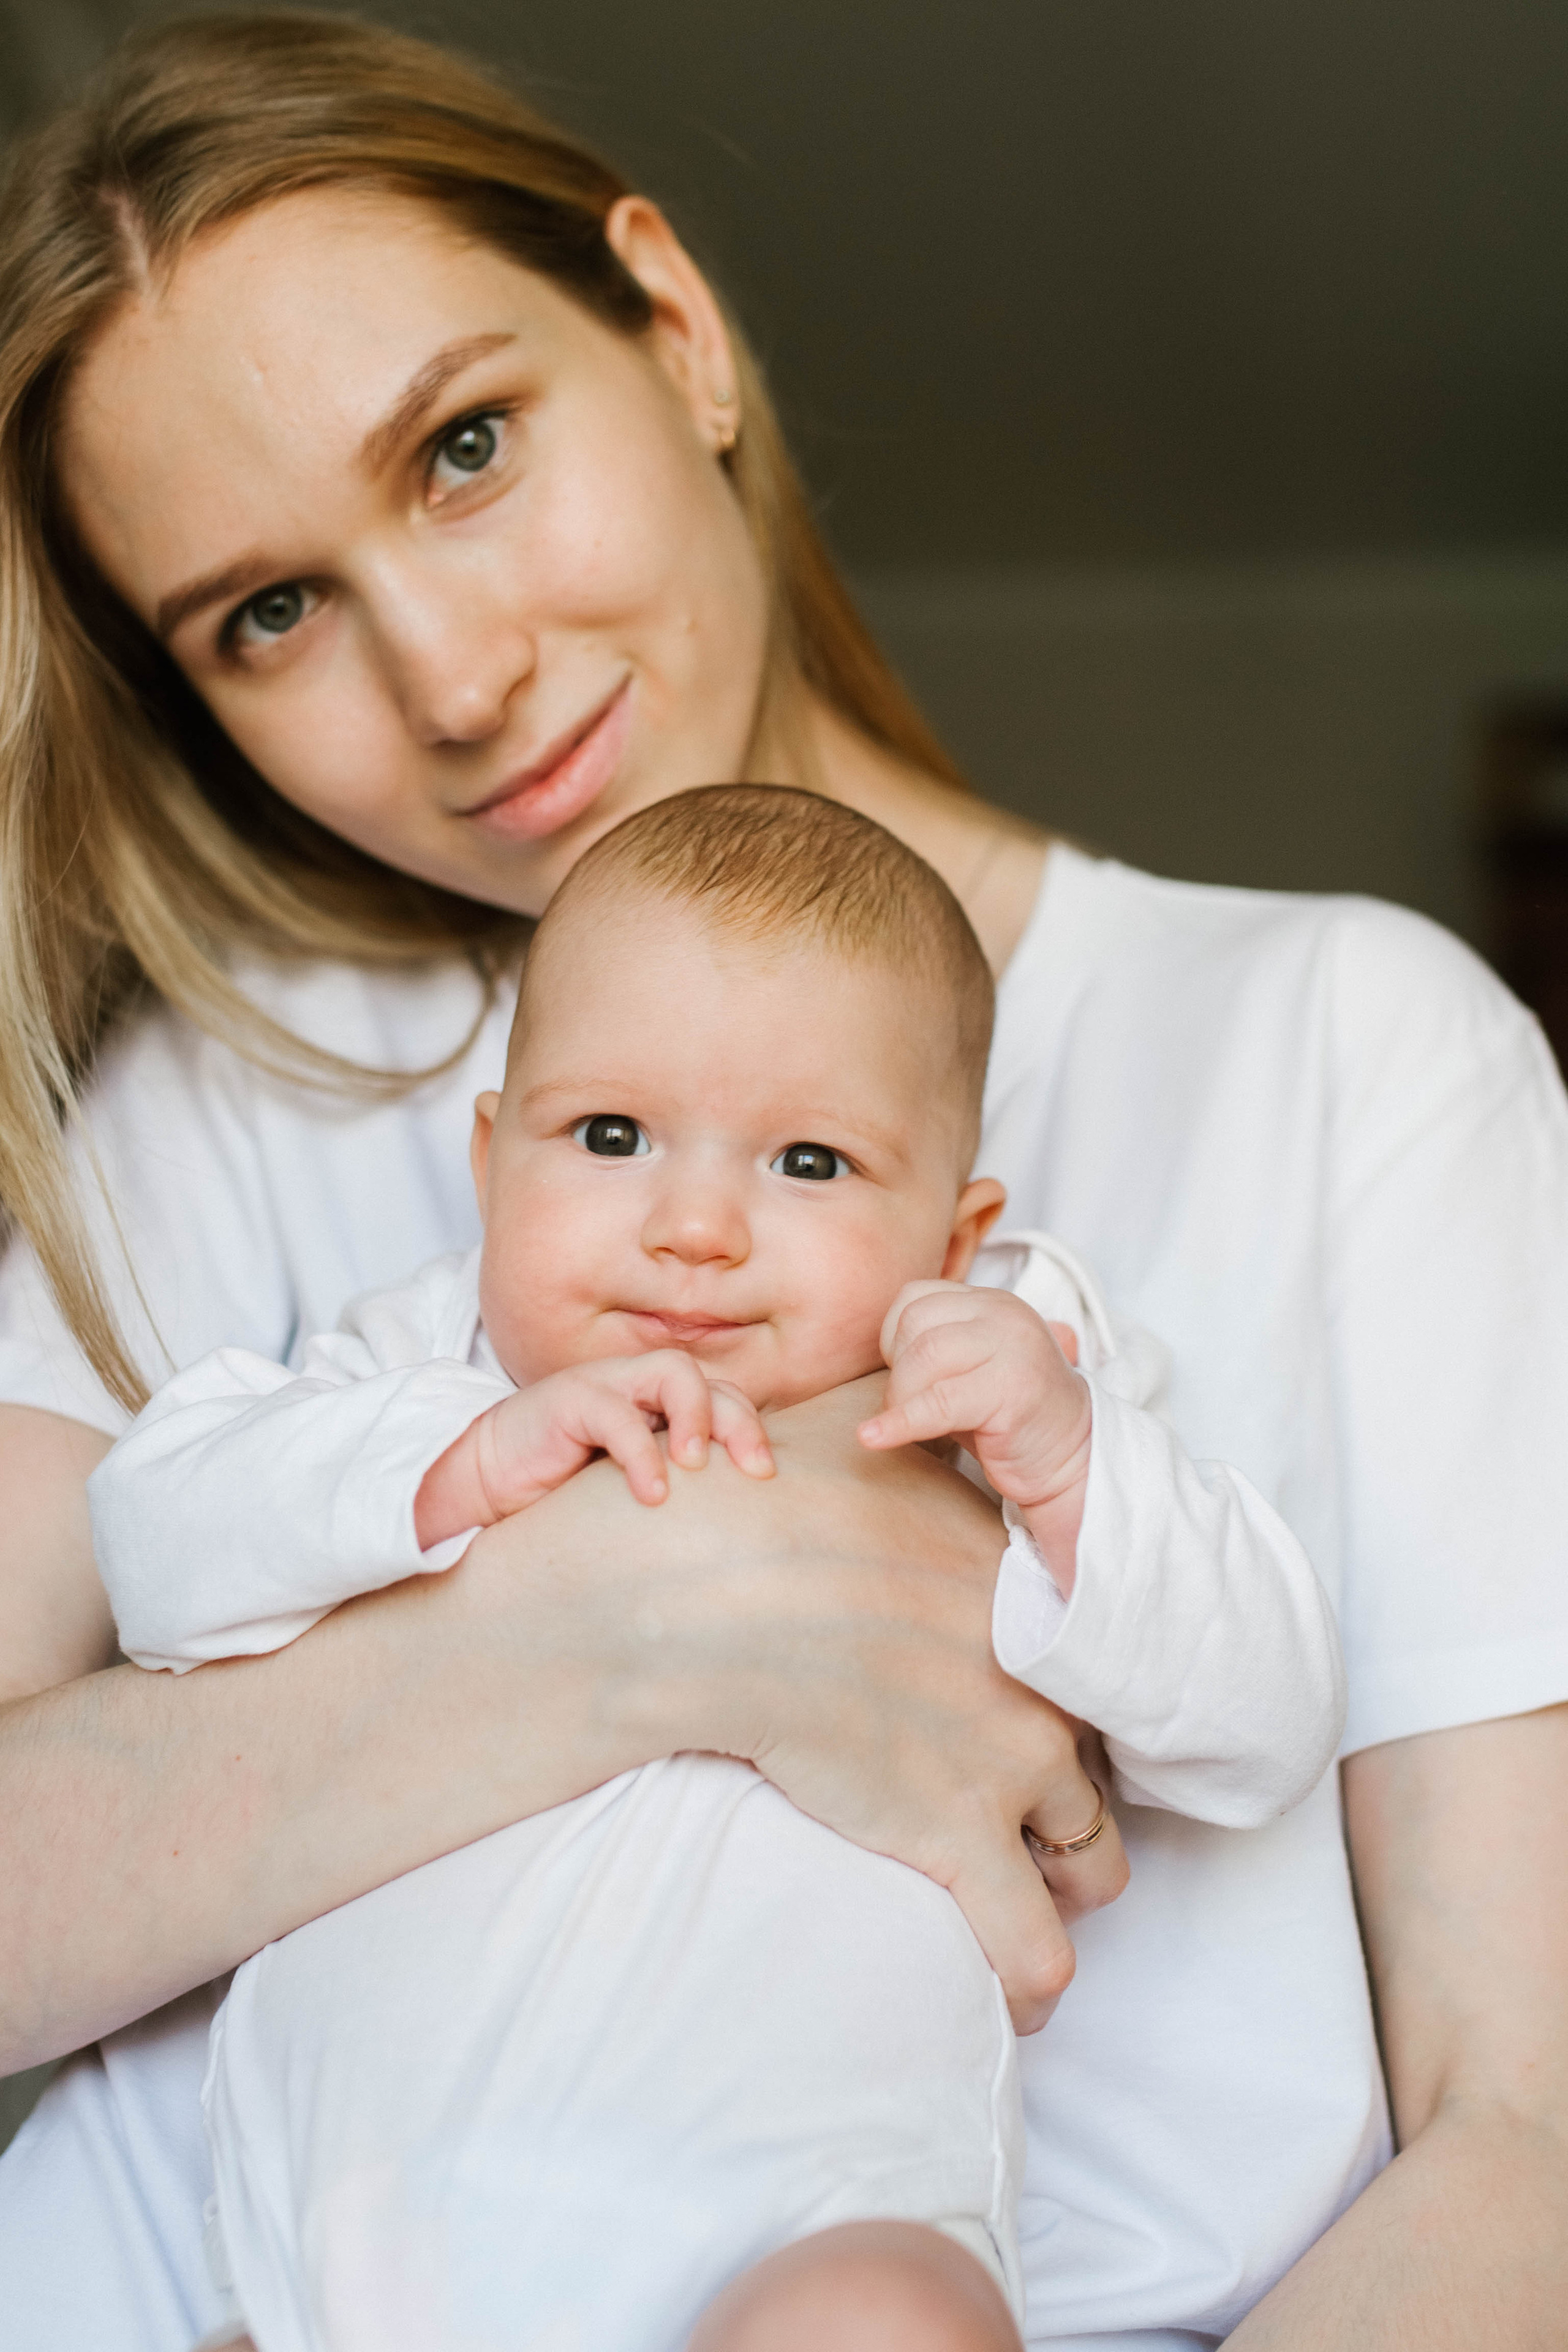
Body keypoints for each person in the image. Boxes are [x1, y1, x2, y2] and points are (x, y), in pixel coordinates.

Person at [0, 13, 1562, 2350]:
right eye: (270, 611)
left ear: (679, 327)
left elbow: (1527, 2144)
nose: (452, 673)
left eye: (465, 446)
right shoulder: (229, 1107)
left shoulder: (1347, 1047)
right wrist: (667, 1609)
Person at [88, 785, 1343, 2352]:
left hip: (810, 2220)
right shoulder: (416, 1372)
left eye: (809, 1163)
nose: (692, 1225)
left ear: (953, 1243)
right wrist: (453, 1465)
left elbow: (1264, 1724)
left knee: (886, 2320)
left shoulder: (985, 1401)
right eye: (607, 1136)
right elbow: (152, 1544)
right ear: (490, 1164)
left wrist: (1074, 1468)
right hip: (370, 2243)